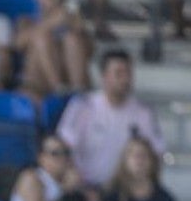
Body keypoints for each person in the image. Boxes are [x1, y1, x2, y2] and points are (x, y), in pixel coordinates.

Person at [56, 48, 164, 187]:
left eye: (128, 73)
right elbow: (64, 146)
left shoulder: (143, 112)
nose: (125, 79)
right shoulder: (83, 106)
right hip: (85, 187)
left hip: (126, 190)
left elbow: (156, 151)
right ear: (104, 76)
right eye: (118, 73)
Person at [15, 0, 92, 100]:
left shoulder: (72, 20)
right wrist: (52, 22)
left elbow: (90, 52)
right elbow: (17, 44)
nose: (54, 0)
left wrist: (80, 29)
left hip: (69, 79)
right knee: (41, 38)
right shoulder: (27, 20)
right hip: (37, 84)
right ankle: (58, 88)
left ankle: (77, 93)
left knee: (72, 39)